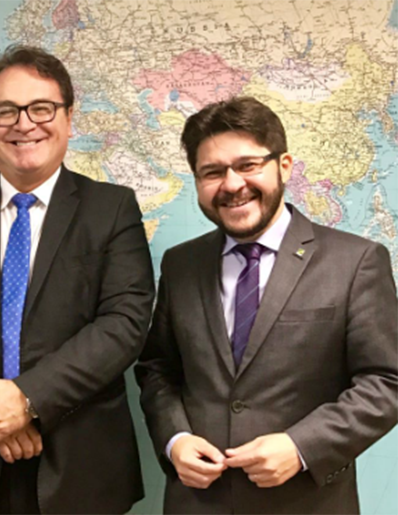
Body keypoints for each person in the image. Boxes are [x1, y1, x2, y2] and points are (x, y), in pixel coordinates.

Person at [0, 45, 154, 515]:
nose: (24, 124)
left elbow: (124, 321)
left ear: (69, 117)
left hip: (82, 465)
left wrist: (26, 399)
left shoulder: (112, 209)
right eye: (5, 111)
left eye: (41, 108)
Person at [135, 96, 398, 515]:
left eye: (248, 165)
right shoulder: (181, 264)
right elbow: (157, 369)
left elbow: (386, 381)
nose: (232, 184)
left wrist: (302, 446)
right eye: (212, 172)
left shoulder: (356, 262)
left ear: (284, 166)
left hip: (307, 503)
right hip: (197, 504)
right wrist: (174, 439)